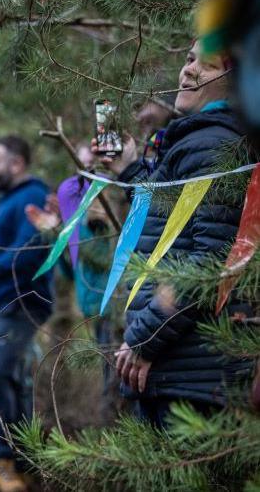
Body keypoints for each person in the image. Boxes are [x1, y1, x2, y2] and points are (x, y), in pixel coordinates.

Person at [99, 40, 254, 427]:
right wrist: (131, 169)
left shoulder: (215, 144)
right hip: (183, 366)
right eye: (188, 59)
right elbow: (173, 225)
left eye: (209, 65)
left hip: (189, 371)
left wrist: (144, 339)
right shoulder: (201, 139)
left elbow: (210, 264)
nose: (188, 70)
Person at [0, 135, 52, 492]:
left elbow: (28, 252)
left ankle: (2, 461)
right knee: (14, 381)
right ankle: (27, 460)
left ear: (17, 163)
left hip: (21, 304)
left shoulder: (32, 197)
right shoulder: (5, 203)